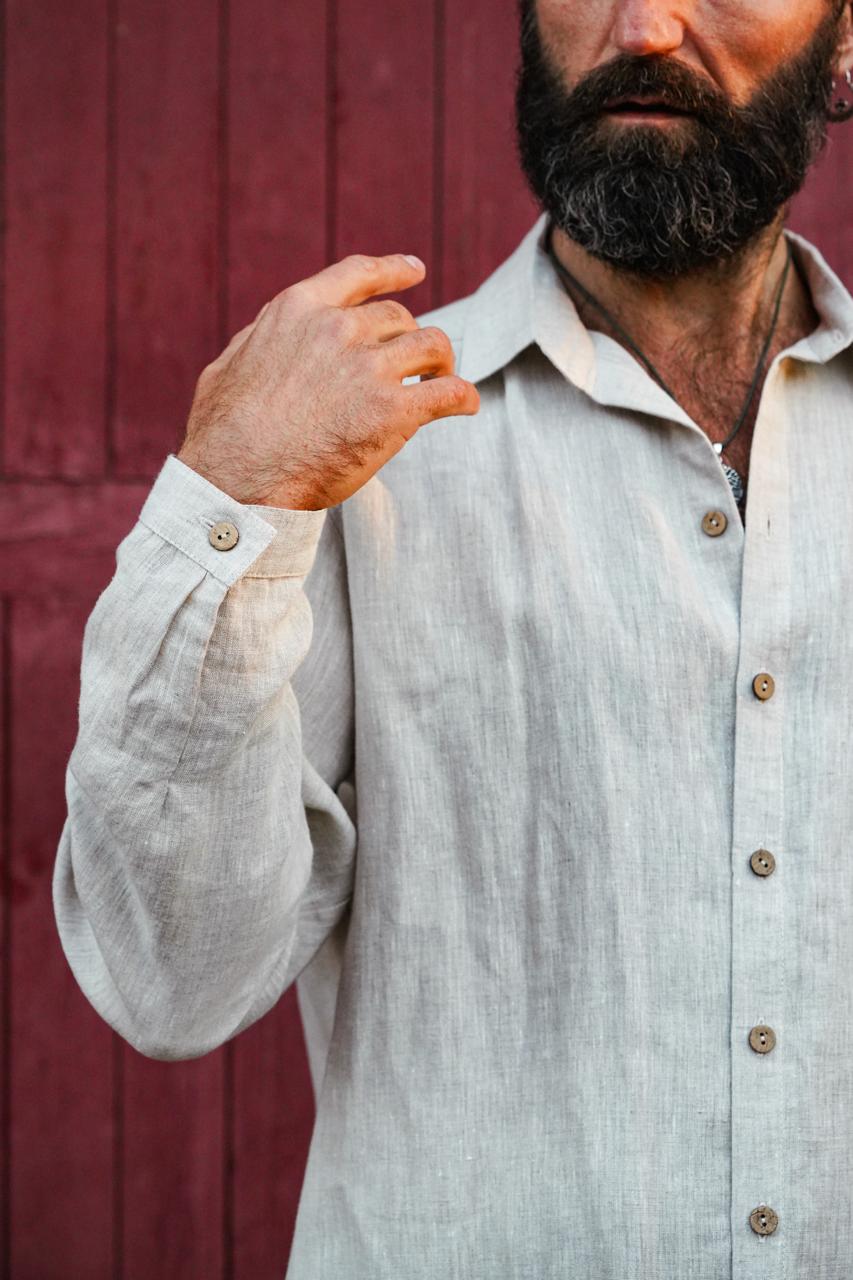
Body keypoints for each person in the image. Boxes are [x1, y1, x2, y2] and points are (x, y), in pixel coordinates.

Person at [53, 0, 853, 1275]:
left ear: (845, 35)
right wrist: (229, 503)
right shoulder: (353, 457)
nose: (644, 26)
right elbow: (170, 980)